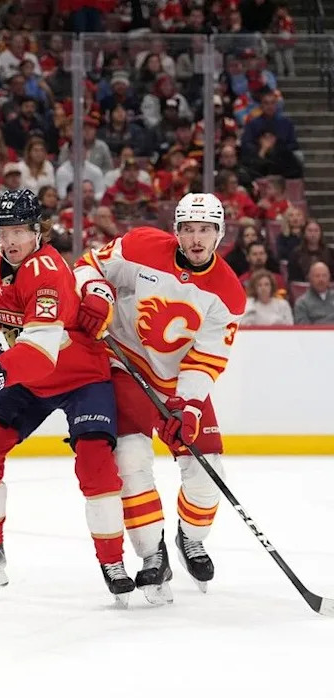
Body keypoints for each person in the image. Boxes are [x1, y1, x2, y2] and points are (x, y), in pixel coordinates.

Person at [0, 188, 133, 602]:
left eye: (19, 231)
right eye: (2, 231)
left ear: (37, 232)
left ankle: (112, 560)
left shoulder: (48, 272)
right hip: (29, 377)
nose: (9, 241)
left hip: (81, 375)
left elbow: (41, 352)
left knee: (95, 464)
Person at [73, 193, 246, 603]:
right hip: (127, 361)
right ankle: (153, 555)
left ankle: (192, 538)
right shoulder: (141, 246)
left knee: (207, 473)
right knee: (131, 462)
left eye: (205, 229)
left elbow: (208, 357)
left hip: (180, 379)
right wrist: (97, 291)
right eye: (188, 229)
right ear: (177, 231)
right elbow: (88, 266)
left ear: (219, 234)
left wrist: (187, 406)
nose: (196, 238)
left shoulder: (228, 294)